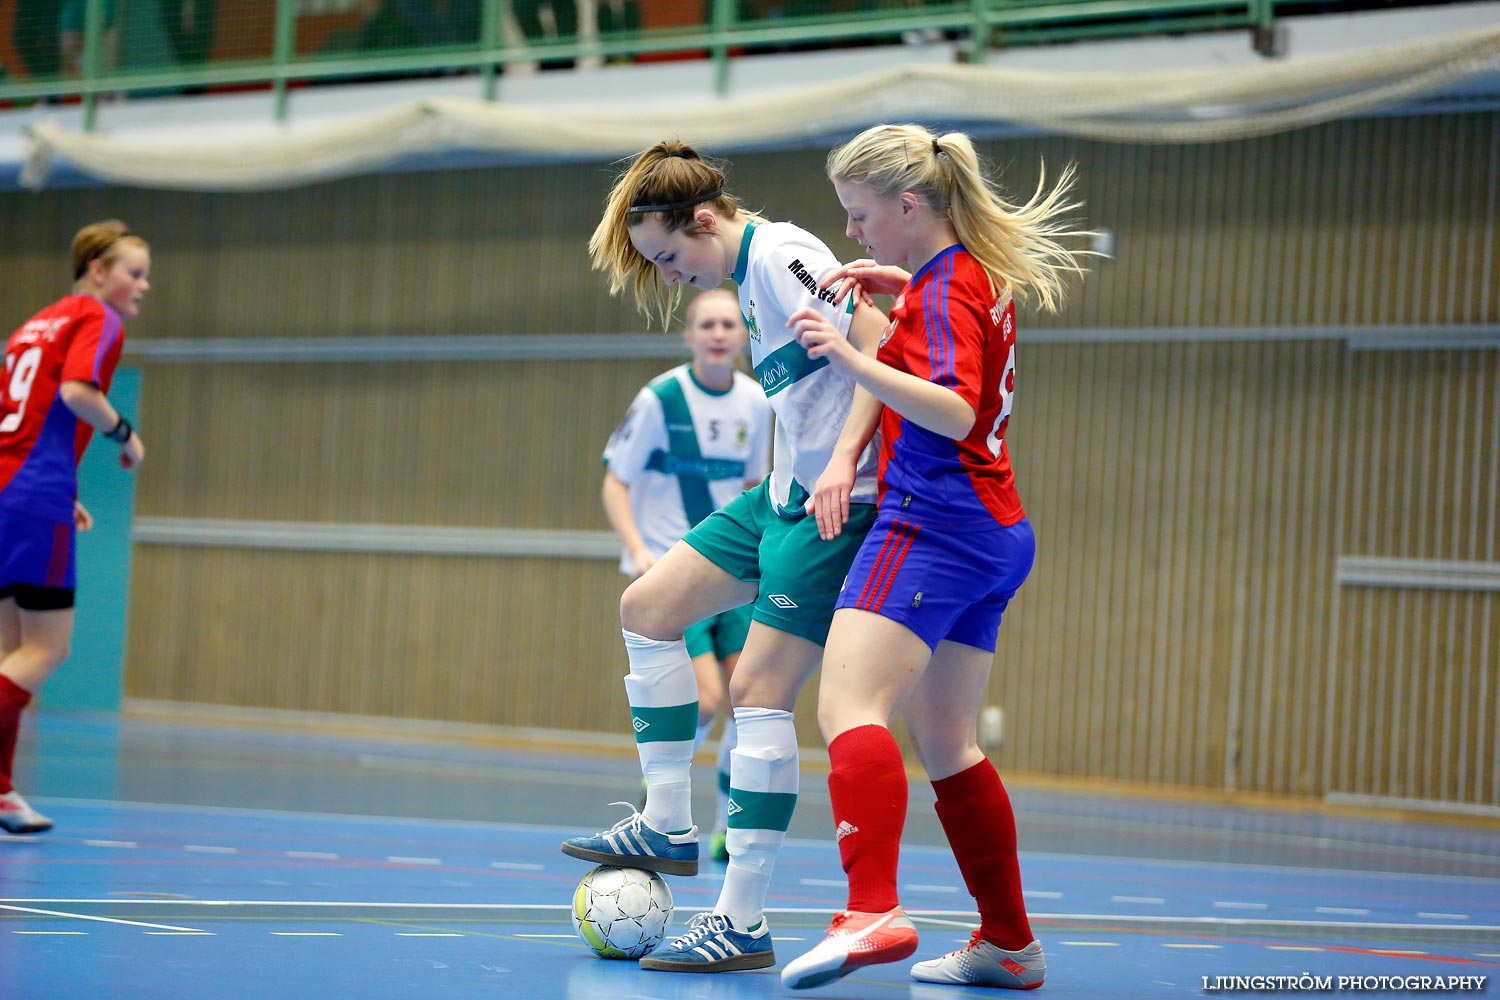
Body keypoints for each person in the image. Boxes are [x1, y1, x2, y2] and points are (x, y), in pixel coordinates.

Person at [774, 123, 1092, 990]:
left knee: (848, 705)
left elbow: (952, 408)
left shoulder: (945, 291)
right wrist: (903, 297)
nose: (852, 234)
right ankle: (1009, 944)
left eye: (860, 214)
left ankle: (871, 908)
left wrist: (847, 352)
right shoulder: (960, 277)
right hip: (996, 531)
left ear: (908, 205)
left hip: (933, 525)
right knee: (948, 740)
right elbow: (947, 353)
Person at [561, 139, 889, 973]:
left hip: (836, 506)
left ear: (704, 220)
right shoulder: (743, 278)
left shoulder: (781, 256)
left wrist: (846, 461)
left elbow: (880, 337)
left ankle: (741, 922)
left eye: (671, 257)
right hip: (780, 497)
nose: (672, 278)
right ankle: (667, 820)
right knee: (646, 608)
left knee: (756, 692)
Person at [601, 287, 772, 862]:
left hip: (738, 573)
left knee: (750, 700)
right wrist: (637, 550)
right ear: (690, 336)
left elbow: (755, 487)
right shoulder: (661, 399)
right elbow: (616, 479)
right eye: (708, 324)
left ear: (742, 335)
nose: (719, 333)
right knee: (704, 700)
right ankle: (664, 788)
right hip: (678, 567)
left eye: (729, 323)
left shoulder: (755, 401)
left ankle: (728, 826)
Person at [0, 219, 149, 835]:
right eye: (134, 274)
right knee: (47, 647)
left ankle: (3, 791)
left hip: (12, 485)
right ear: (97, 271)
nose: (143, 286)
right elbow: (76, 393)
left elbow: (29, 412)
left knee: (11, 651)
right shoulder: (97, 318)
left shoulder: (35, 322)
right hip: (33, 495)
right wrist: (127, 435)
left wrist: (70, 488)